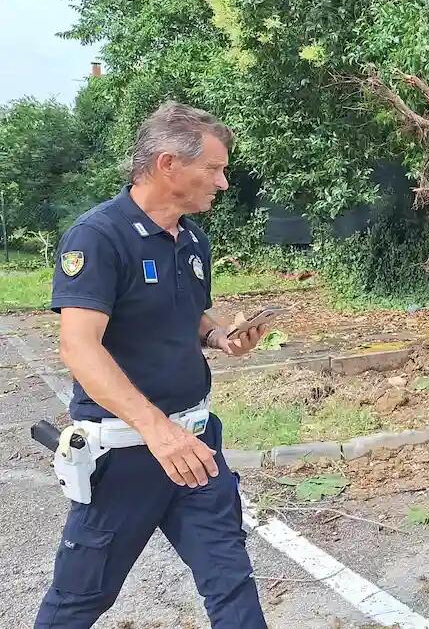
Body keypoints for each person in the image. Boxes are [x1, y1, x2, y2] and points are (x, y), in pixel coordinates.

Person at [34, 101, 271, 628]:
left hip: (197, 448)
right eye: (212, 168)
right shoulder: (98, 237)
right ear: (167, 164)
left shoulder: (191, 239)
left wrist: (217, 334)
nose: (223, 182)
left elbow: (182, 311)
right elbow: (79, 346)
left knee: (232, 586)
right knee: (79, 600)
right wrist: (157, 430)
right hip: (127, 455)